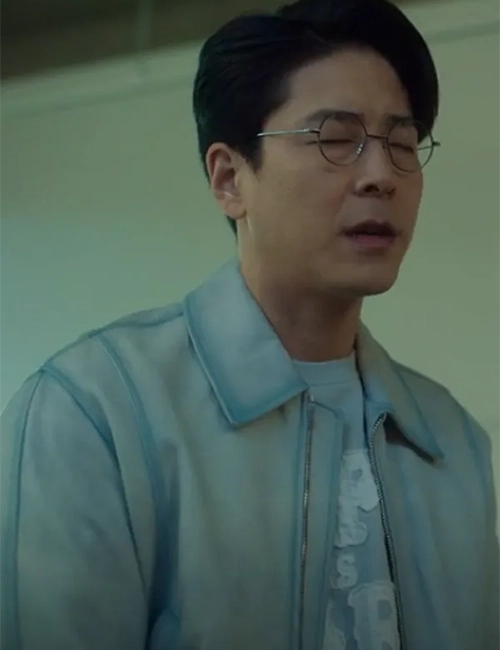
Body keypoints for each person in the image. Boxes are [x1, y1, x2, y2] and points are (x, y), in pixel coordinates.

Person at [1, 0, 498, 648]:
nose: (381, 176)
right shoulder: (96, 412)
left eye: (401, 145)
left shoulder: (452, 442)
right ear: (230, 178)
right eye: (336, 138)